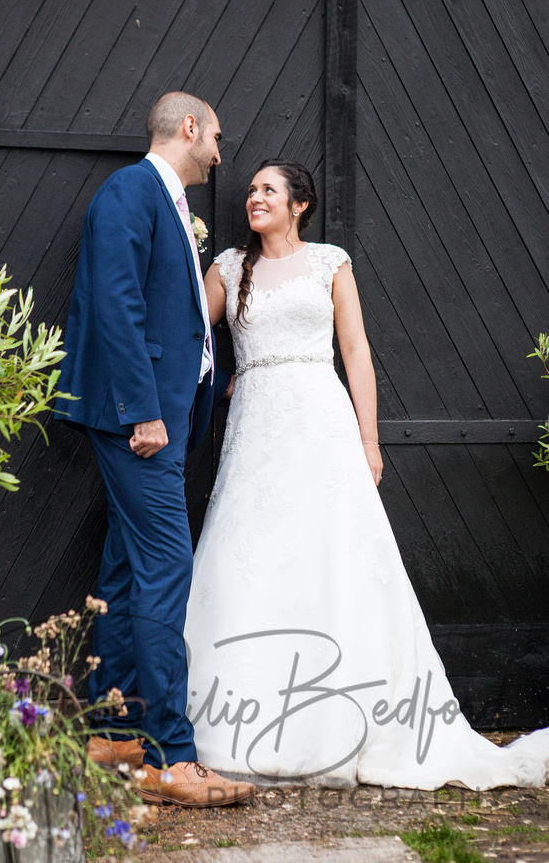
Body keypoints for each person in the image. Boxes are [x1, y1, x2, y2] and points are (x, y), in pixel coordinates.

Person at [184, 158, 549, 789]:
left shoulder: (330, 262)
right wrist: (224, 378)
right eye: (250, 191)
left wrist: (368, 437)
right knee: (253, 556)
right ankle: (247, 719)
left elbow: (355, 350)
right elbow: (192, 333)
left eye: (267, 190)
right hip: (257, 433)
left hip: (321, 425)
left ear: (300, 203)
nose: (253, 198)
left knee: (335, 558)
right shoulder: (228, 268)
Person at [55, 92, 256, 807]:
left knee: (125, 566)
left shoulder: (165, 201)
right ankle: (174, 757)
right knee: (168, 568)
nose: (221, 155)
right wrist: (143, 410)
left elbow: (172, 316)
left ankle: (112, 730)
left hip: (165, 414)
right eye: (218, 139)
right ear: (191, 127)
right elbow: (116, 304)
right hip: (139, 422)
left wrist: (216, 378)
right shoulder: (130, 191)